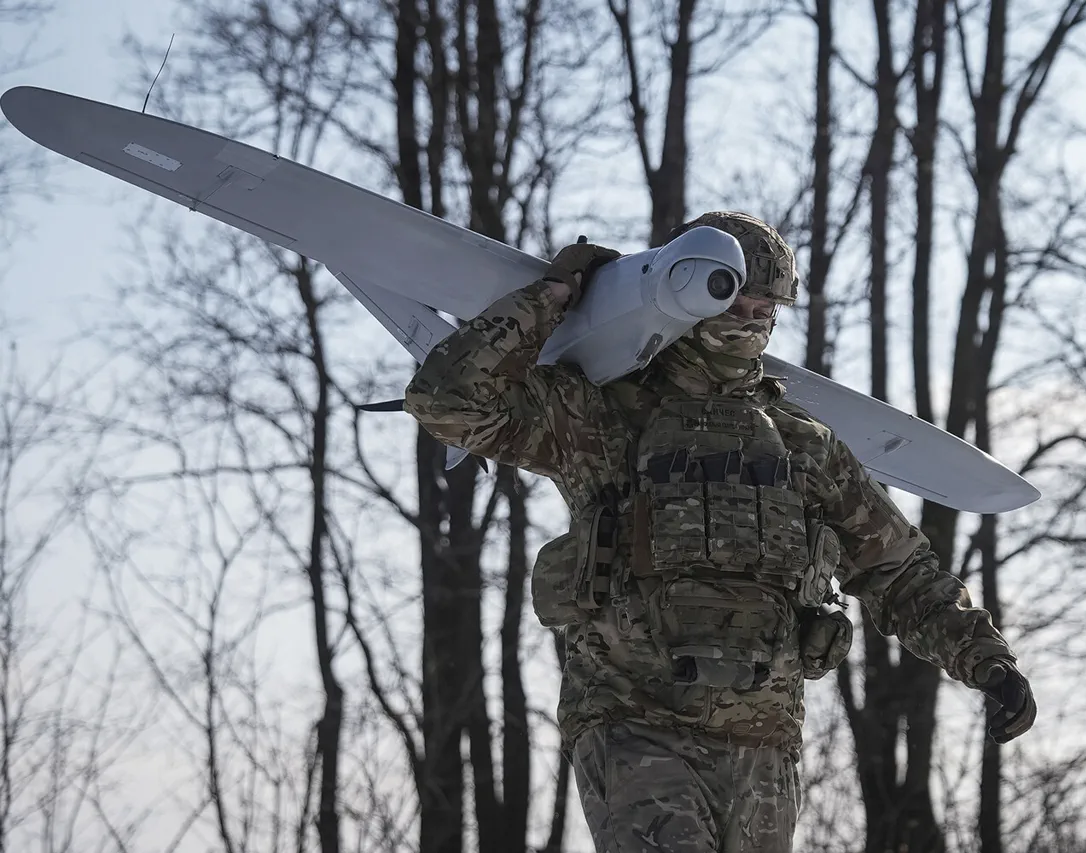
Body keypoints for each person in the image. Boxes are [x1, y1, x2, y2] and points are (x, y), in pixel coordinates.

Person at [404, 211, 1035, 853]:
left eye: (768, 306)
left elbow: (897, 572)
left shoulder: (804, 447)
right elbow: (447, 402)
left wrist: (985, 661)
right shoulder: (599, 415)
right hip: (635, 726)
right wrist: (553, 297)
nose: (752, 318)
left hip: (764, 747)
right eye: (738, 298)